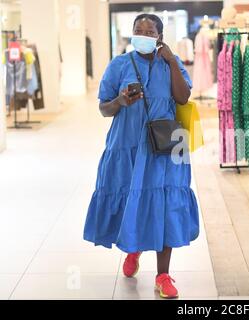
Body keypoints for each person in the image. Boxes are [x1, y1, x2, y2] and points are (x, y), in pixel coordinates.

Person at [83, 14, 200, 299]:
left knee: (165, 202)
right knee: (130, 196)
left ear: (160, 36)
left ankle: (163, 275)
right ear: (131, 33)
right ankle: (133, 249)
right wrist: (120, 101)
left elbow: (183, 97)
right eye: (138, 30)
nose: (143, 35)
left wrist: (172, 61)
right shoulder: (119, 65)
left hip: (166, 144)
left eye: (150, 31)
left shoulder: (171, 64)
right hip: (126, 145)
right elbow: (104, 109)